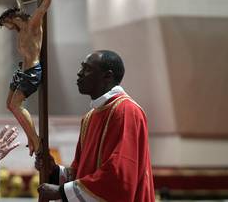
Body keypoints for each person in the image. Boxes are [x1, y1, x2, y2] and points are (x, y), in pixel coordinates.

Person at [35, 50, 155, 201]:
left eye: (87, 69)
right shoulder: (89, 117)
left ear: (107, 76)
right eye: (81, 67)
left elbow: (119, 175)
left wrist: (61, 192)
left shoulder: (126, 111)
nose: (79, 73)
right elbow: (81, 172)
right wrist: (54, 171)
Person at [0, 0, 57, 156]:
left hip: (31, 71)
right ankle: (31, 138)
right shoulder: (21, 27)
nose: (7, 28)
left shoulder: (32, 25)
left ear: (11, 19)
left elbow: (42, 8)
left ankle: (36, 141)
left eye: (6, 24)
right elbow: (20, 12)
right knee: (10, 104)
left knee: (16, 105)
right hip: (22, 70)